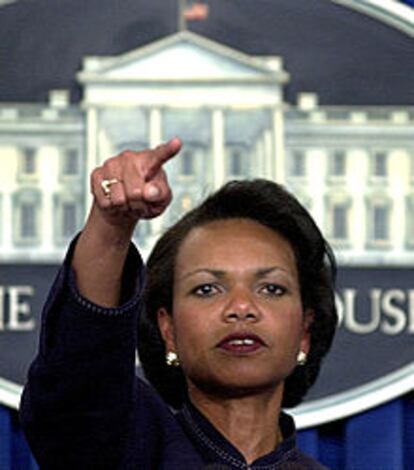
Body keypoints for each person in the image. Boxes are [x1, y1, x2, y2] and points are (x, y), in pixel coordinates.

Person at [20, 138, 337, 469]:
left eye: (271, 289)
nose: (241, 307)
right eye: (207, 289)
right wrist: (111, 226)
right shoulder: (126, 447)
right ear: (167, 330)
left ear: (305, 331)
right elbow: (79, 381)